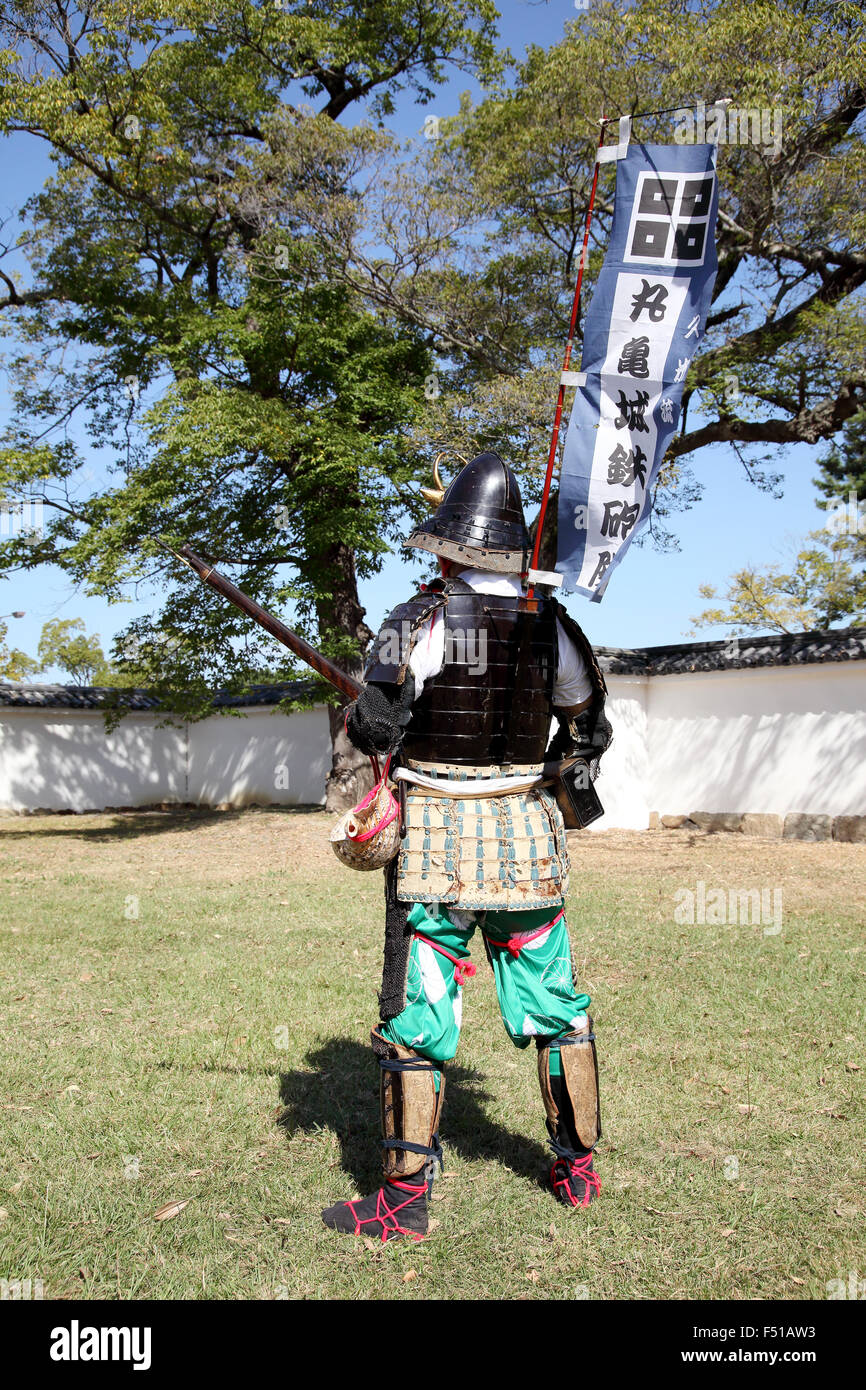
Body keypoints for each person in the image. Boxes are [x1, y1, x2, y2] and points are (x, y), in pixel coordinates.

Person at [321, 451, 612, 1243]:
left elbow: (377, 728)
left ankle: (403, 1204)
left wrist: (362, 711)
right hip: (526, 841)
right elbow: (592, 732)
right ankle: (575, 1170)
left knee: (419, 1017)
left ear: (450, 543)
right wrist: (539, 772)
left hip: (438, 846)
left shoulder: (414, 620)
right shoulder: (555, 626)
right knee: (558, 1012)